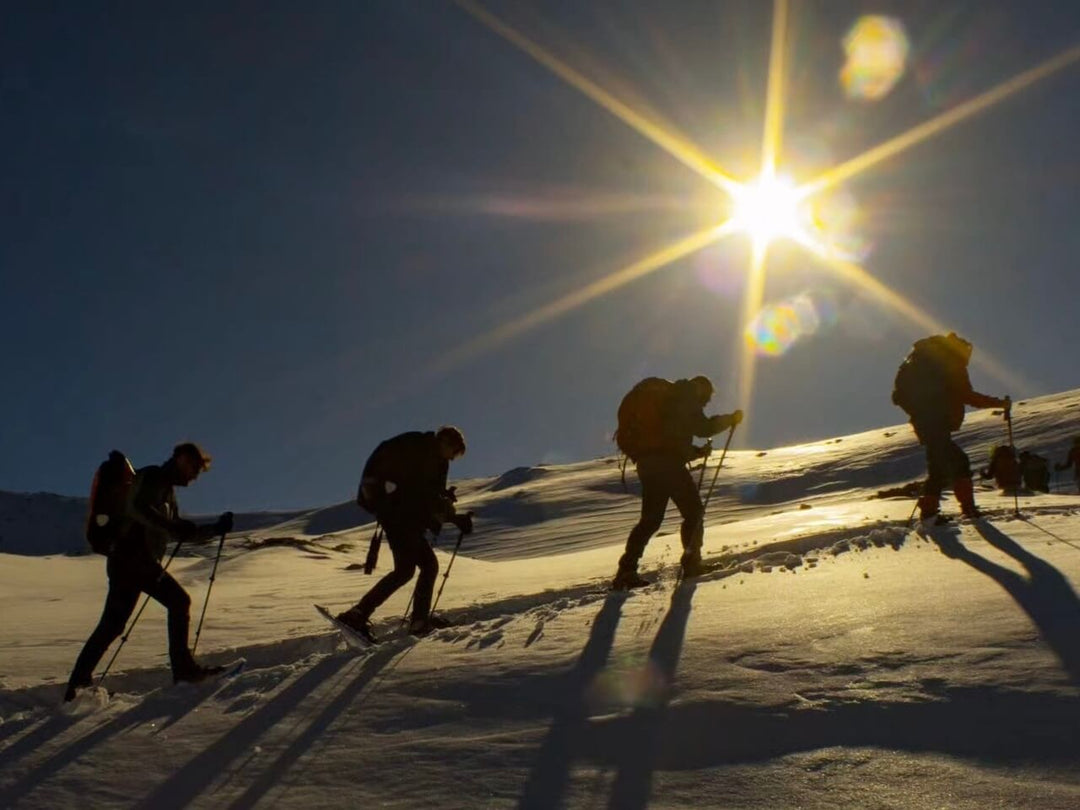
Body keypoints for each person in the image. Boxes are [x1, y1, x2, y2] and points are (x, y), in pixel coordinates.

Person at [65, 442, 234, 701]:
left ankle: (77, 689)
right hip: (133, 557)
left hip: (127, 561)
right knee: (179, 601)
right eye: (193, 467)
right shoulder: (153, 477)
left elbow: (177, 529)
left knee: (112, 625)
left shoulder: (166, 493)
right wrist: (173, 526)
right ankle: (184, 670)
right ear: (179, 458)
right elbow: (139, 510)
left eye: (198, 471)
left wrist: (214, 529)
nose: (194, 475)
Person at [339, 426, 472, 641]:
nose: (452, 459)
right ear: (446, 442)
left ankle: (414, 620)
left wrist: (449, 509)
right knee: (412, 569)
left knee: (418, 567)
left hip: (402, 518)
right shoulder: (423, 452)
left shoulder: (430, 456)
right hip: (399, 517)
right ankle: (360, 615)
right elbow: (421, 494)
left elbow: (426, 496)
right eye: (453, 453)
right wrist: (454, 517)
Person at [612, 375, 742, 589]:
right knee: (694, 512)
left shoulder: (670, 400)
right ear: (702, 388)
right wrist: (731, 419)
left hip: (647, 464)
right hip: (667, 465)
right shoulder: (687, 394)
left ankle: (626, 571)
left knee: (650, 520)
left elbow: (671, 440)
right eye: (707, 398)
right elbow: (703, 428)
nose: (705, 403)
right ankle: (692, 564)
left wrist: (697, 452)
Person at [892, 332, 1009, 523]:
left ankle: (937, 510)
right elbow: (967, 395)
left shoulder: (924, 360)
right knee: (952, 463)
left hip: (924, 420)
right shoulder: (952, 363)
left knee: (943, 464)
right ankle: (951, 511)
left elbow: (899, 396)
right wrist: (999, 404)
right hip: (937, 419)